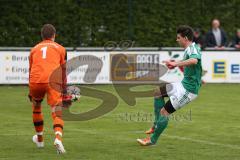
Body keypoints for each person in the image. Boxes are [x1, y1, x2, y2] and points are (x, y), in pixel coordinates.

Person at [137, 25, 202, 146]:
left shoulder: (193, 48)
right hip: (183, 85)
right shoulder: (189, 49)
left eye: (178, 37)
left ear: (186, 38)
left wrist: (176, 64)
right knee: (157, 92)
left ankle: (152, 140)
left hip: (188, 91)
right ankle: (156, 124)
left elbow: (194, 61)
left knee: (164, 112)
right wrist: (175, 63)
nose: (177, 40)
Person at [28, 24, 69, 154]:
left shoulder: (34, 49)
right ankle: (57, 139)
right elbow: (63, 71)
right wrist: (65, 90)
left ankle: (40, 140)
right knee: (57, 111)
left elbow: (30, 70)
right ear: (54, 35)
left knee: (36, 106)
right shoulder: (61, 49)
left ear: (42, 36)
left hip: (36, 80)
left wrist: (30, 91)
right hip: (53, 80)